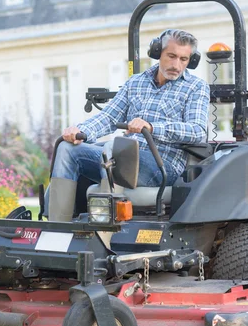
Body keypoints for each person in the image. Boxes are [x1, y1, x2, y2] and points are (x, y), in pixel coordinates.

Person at [48, 29, 210, 221]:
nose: (176, 65)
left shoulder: (196, 87)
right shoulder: (135, 82)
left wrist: (151, 127)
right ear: (158, 53)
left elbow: (198, 131)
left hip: (162, 165)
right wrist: (80, 131)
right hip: (124, 156)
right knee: (68, 148)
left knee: (114, 150)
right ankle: (57, 225)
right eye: (172, 56)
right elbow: (108, 117)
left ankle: (106, 229)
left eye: (183, 59)